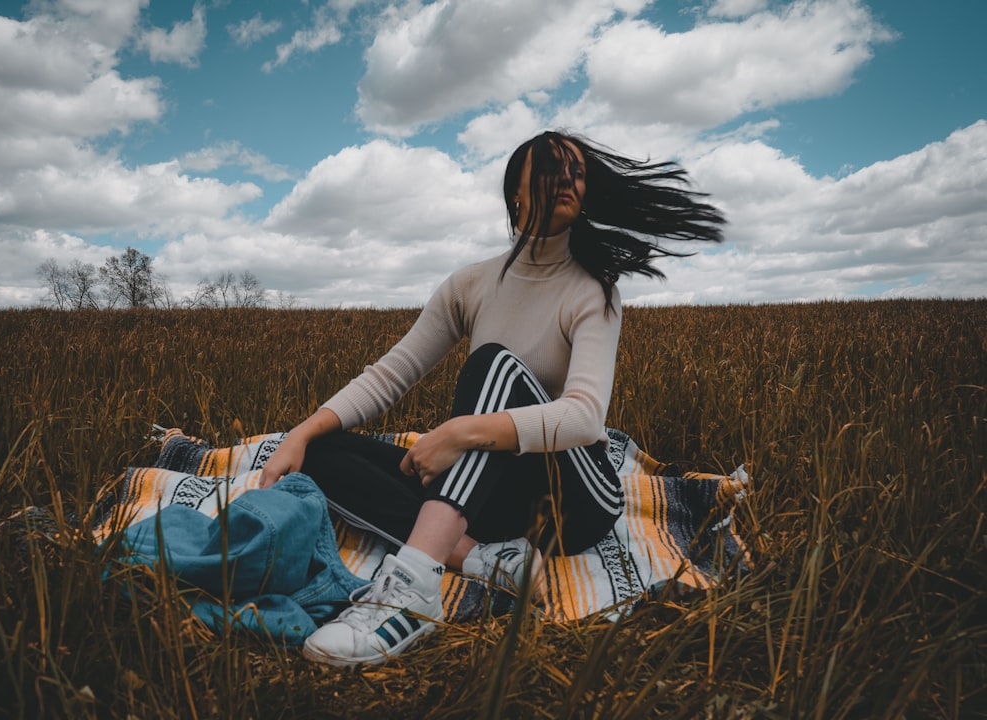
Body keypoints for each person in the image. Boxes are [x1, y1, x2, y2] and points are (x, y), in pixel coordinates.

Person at [257, 130, 726, 666]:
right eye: (552, 168)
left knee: (493, 366)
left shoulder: (593, 290)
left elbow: (584, 418)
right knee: (319, 452)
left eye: (576, 171)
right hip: (495, 503)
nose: (568, 179)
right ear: (516, 195)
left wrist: (458, 432)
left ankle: (411, 592)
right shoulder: (472, 284)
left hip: (576, 497)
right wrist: (302, 431)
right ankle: (482, 559)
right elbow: (391, 374)